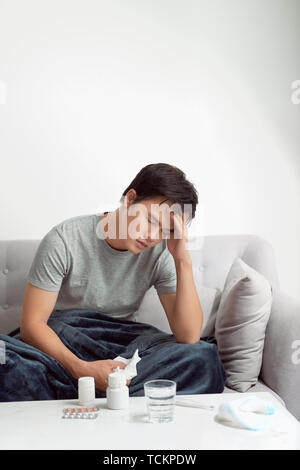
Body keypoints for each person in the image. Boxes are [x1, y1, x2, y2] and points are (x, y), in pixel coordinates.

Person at [3, 162, 226, 400]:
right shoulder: (65, 239)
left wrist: (183, 260)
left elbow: (189, 336)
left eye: (165, 230)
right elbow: (33, 325)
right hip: (64, 346)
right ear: (130, 200)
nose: (153, 236)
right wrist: (82, 370)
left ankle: (89, 391)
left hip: (123, 350)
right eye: (151, 220)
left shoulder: (162, 253)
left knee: (204, 357)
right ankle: (107, 391)